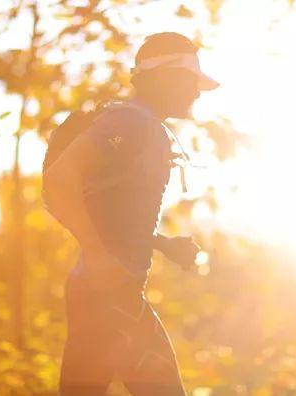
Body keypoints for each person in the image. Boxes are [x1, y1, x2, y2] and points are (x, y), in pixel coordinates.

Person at [42, 32, 220, 395]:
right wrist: (99, 258)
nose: (197, 93)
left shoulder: (142, 126)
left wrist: (161, 243)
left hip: (104, 295)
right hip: (107, 299)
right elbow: (60, 180)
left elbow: (111, 216)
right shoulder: (130, 124)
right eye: (190, 82)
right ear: (166, 77)